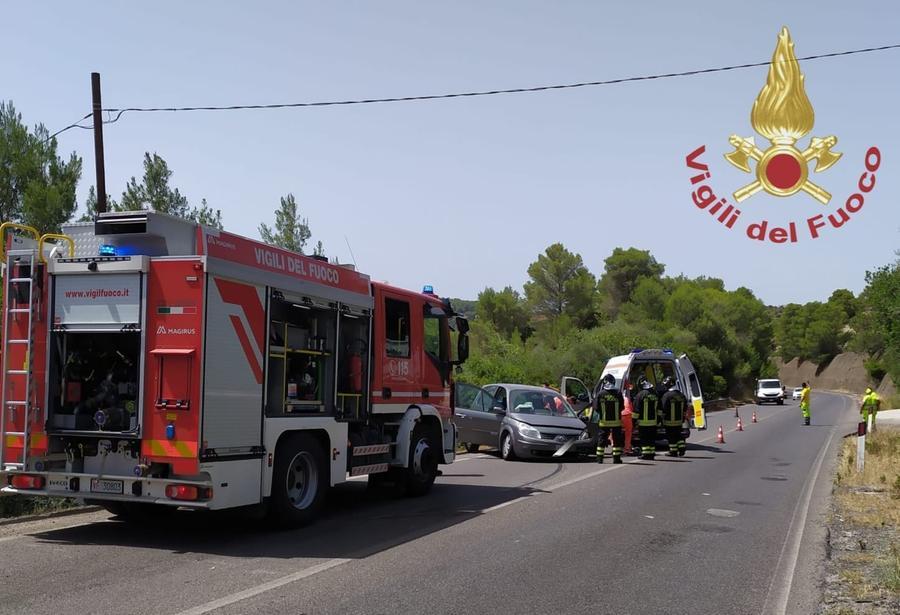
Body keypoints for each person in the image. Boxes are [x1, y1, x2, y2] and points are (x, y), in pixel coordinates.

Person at [588, 374, 625, 464]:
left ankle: (599, 459)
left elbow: (596, 408)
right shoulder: (618, 393)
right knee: (616, 441)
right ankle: (616, 459)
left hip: (604, 422)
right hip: (616, 422)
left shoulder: (600, 394)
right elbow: (622, 407)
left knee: (602, 440)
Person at [632, 377, 660, 460]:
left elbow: (636, 411)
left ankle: (646, 454)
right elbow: (659, 410)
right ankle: (651, 454)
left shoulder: (640, 395)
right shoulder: (656, 394)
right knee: (651, 439)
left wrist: (633, 422)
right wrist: (658, 420)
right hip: (653, 422)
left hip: (643, 423)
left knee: (645, 439)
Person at [659, 377, 687, 457]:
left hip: (669, 421)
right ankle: (682, 449)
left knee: (671, 437)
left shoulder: (666, 395)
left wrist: (660, 419)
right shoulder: (681, 395)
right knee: (678, 435)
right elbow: (685, 407)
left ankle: (673, 452)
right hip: (679, 421)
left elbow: (662, 408)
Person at [621, 380, 635, 456]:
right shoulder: (629, 396)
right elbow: (632, 407)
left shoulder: (618, 393)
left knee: (614, 431)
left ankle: (615, 446)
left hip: (620, 415)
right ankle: (627, 448)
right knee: (628, 433)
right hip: (627, 415)